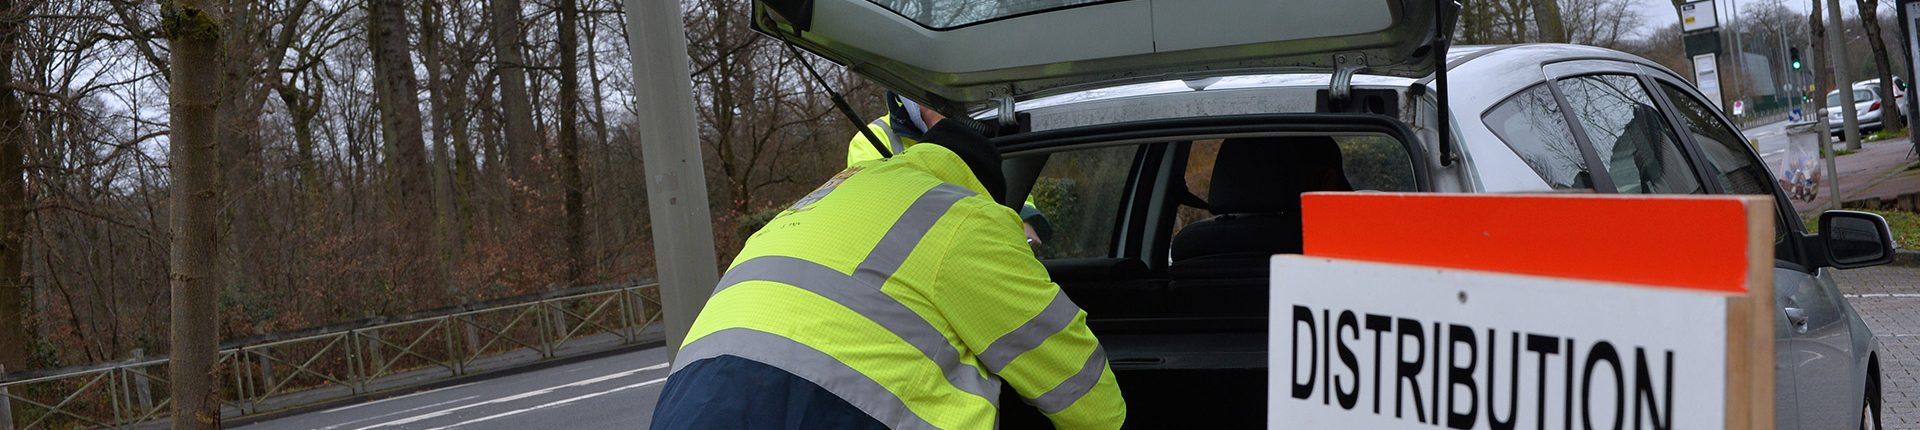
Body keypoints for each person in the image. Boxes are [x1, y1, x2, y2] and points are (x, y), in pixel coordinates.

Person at [651, 105, 1126, 430]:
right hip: (815, 411)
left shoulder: (820, 202)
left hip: (685, 405)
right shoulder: (966, 217)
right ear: (985, 187)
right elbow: (1073, 378)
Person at [850, 93, 1053, 250]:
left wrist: (1024, 217)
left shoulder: (980, 125)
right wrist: (941, 132)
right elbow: (885, 215)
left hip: (984, 245)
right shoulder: (871, 139)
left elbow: (1008, 177)